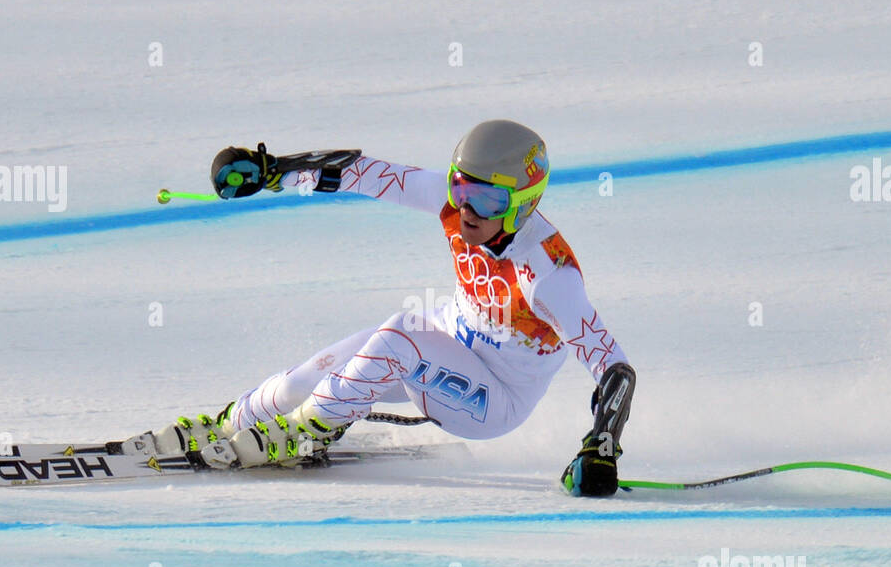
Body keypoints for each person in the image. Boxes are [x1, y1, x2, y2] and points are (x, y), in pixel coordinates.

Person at [128, 120, 635, 496]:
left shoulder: (549, 275)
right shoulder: (455, 204)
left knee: (398, 334)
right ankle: (232, 423)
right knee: (306, 379)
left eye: (486, 201)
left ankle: (308, 431)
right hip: (445, 349)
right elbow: (367, 175)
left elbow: (614, 369)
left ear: (523, 203)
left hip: (493, 400)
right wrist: (275, 170)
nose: (466, 212)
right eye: (461, 189)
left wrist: (601, 445)